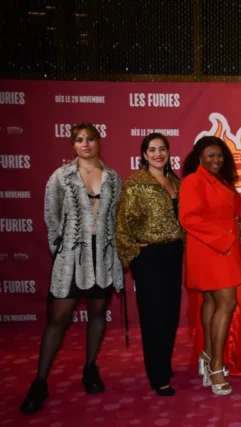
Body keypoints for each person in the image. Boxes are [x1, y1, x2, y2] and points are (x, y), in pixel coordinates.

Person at [20, 123, 123, 414]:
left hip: (102, 255)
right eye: (79, 139)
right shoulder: (61, 176)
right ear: (73, 145)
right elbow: (51, 216)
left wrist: (113, 250)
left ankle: (90, 368)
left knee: (98, 312)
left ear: (99, 142)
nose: (85, 144)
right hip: (70, 256)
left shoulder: (113, 178)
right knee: (58, 318)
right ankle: (40, 381)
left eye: (90, 138)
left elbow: (116, 217)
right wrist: (62, 250)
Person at [180, 136, 241, 396]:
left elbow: (221, 212)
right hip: (210, 249)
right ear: (199, 157)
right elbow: (188, 218)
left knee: (211, 301)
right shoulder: (193, 181)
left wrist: (237, 223)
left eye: (219, 155)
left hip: (223, 248)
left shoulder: (220, 181)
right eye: (210, 155)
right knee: (227, 303)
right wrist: (224, 238)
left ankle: (207, 356)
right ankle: (217, 366)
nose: (216, 160)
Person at [116, 133, 184, 396]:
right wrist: (134, 248)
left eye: (162, 149)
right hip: (149, 258)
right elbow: (122, 224)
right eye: (152, 150)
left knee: (170, 314)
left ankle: (163, 364)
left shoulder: (176, 183)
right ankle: (158, 376)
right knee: (153, 316)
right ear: (144, 155)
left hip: (173, 253)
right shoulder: (135, 184)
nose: (158, 154)